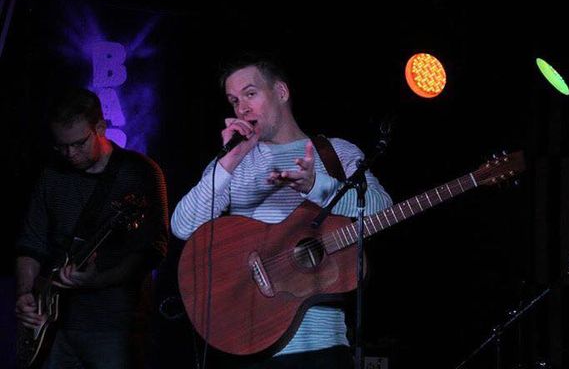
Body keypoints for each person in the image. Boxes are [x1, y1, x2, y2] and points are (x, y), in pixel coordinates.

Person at [171, 54, 393, 368]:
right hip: (250, 341)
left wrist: (316, 185)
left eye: (250, 94)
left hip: (324, 344)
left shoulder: (336, 152)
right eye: (234, 101)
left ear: (281, 92)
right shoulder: (233, 163)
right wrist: (230, 160)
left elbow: (383, 209)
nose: (242, 108)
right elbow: (182, 226)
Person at [15, 87, 169, 369]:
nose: (70, 154)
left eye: (78, 144)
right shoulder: (52, 173)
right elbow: (31, 242)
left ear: (100, 128)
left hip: (114, 324)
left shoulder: (140, 172)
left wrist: (98, 279)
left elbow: (153, 250)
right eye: (61, 146)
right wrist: (25, 293)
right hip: (52, 326)